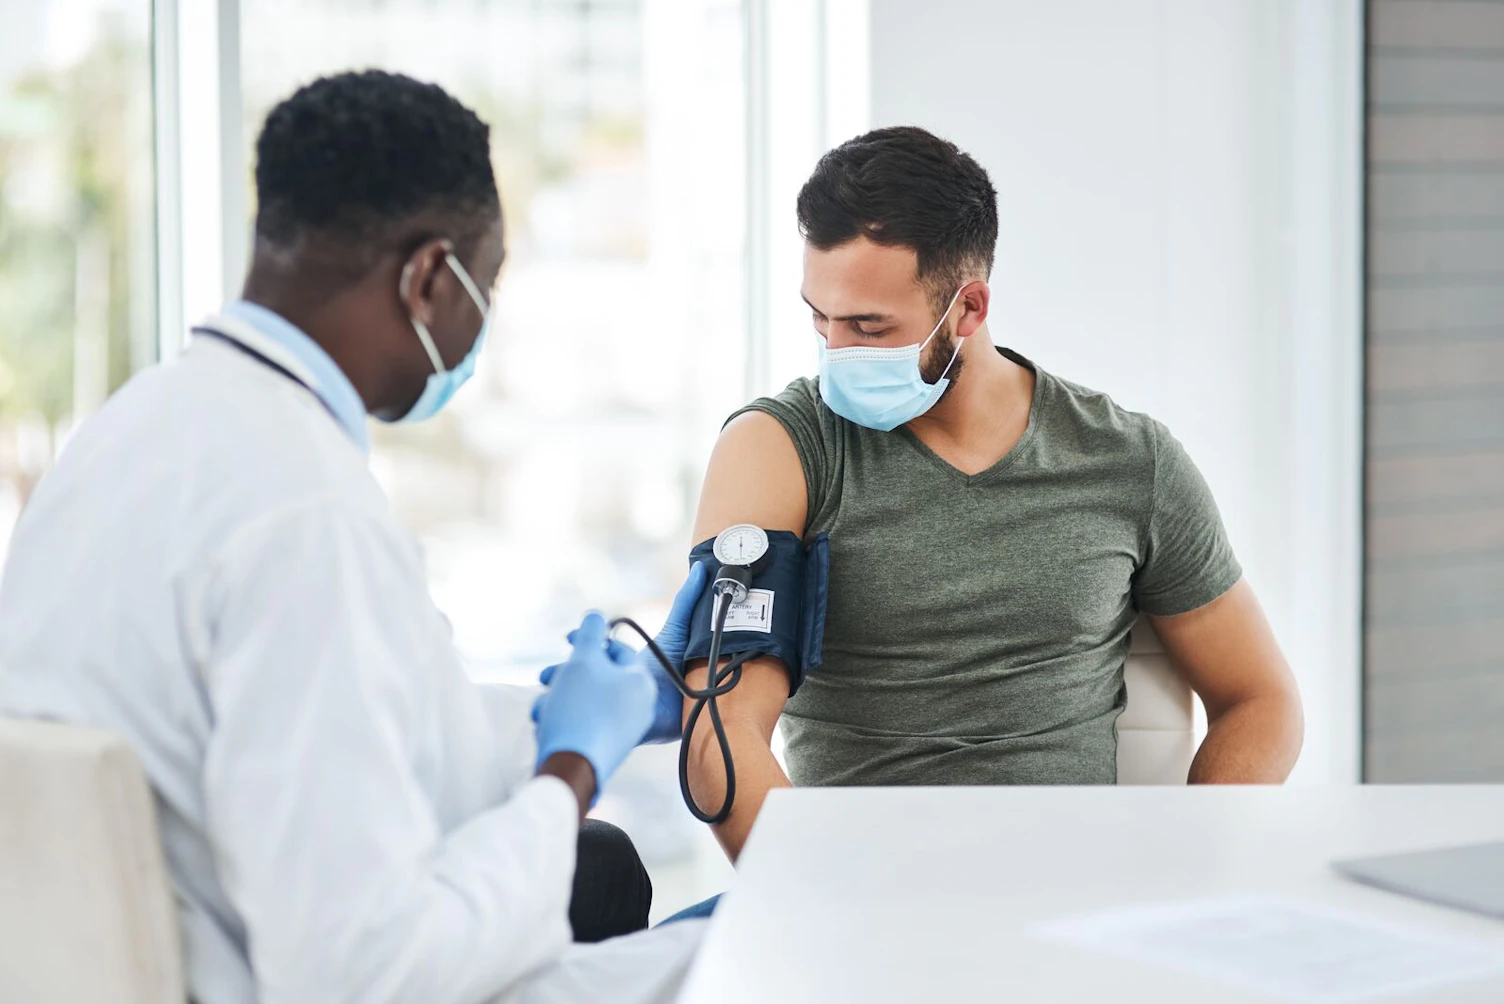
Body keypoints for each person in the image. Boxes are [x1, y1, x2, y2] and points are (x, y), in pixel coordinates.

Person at [0, 71, 706, 1003]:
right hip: (308, 975)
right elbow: (364, 971)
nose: (482, 323)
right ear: (425, 278)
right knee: (777, 946)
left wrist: (580, 717)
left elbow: (351, 733)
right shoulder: (305, 515)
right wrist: (572, 766)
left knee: (634, 887)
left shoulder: (137, 429)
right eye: (483, 287)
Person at [683, 126, 1306, 863]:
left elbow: (1262, 701)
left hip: (1074, 901)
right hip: (858, 903)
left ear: (969, 309)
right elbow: (717, 732)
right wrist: (815, 900)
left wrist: (1185, 863)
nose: (836, 353)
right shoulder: (782, 449)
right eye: (820, 318)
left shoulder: (1130, 462)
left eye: (870, 326)